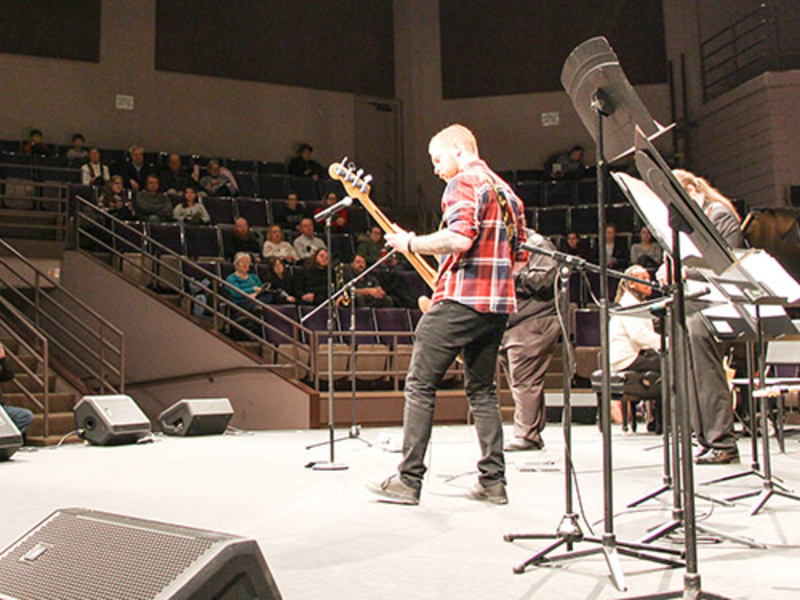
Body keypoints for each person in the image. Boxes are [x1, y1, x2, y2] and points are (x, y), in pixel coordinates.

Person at [369, 124, 527, 506]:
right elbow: (519, 261)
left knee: (420, 384)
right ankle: (493, 483)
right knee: (483, 392)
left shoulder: (464, 183)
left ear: (457, 149)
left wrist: (410, 243)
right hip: (498, 306)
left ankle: (408, 481)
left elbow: (459, 238)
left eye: (438, 159)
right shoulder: (509, 194)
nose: (437, 169)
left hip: (460, 300)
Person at [673, 169, 744, 465]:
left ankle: (723, 441)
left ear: (691, 191)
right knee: (690, 373)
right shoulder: (694, 221)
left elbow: (727, 263)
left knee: (706, 373)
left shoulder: (719, 214)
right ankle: (704, 438)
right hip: (693, 302)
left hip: (716, 304)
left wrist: (686, 271)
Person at [499, 231, 560, 451]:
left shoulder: (536, 244)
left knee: (524, 380)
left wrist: (507, 276)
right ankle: (531, 432)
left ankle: (526, 434)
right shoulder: (505, 245)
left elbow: (544, 279)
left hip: (534, 320)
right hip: (512, 323)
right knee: (522, 381)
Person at [609, 265, 663, 431]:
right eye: (643, 279)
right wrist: (666, 342)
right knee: (671, 366)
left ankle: (657, 418)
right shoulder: (629, 304)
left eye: (648, 278)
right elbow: (639, 336)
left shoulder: (635, 302)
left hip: (634, 355)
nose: (649, 283)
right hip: (625, 359)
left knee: (666, 363)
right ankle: (662, 419)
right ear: (632, 283)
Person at [0, 343, 34, 437]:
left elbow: (8, 375)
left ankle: (6, 440)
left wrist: (3, 359)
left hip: (1, 410)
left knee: (25, 416)